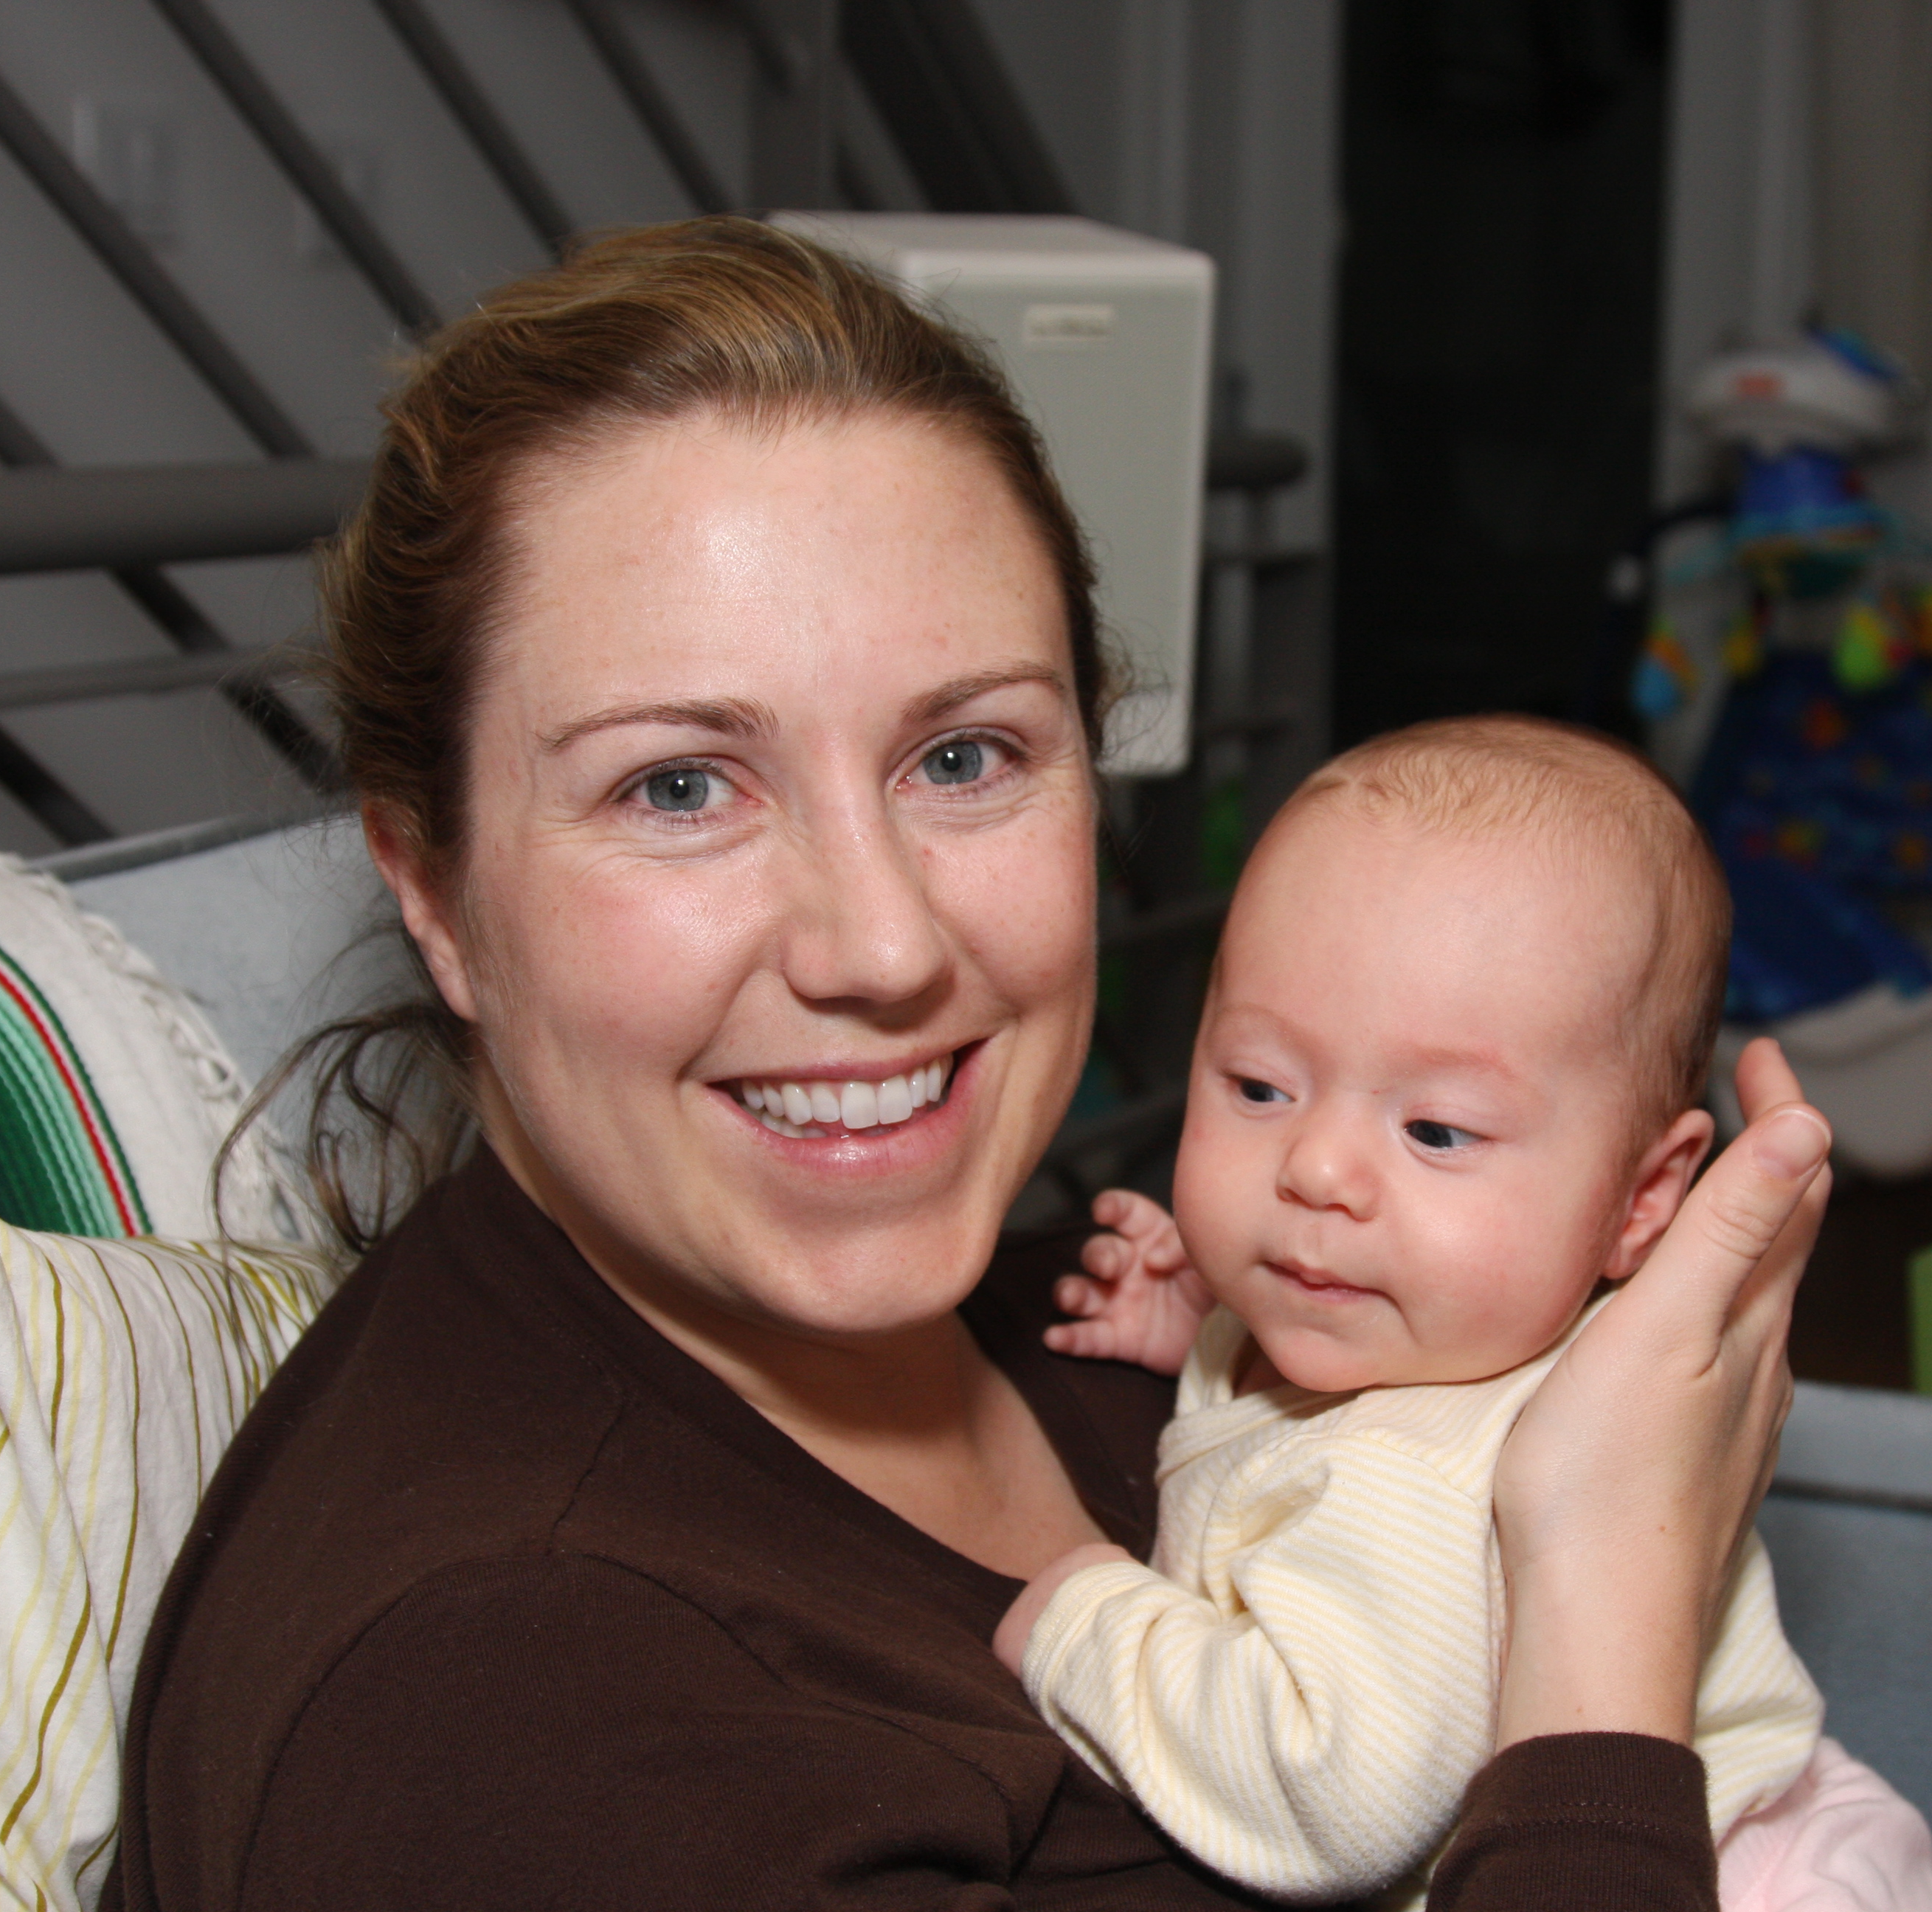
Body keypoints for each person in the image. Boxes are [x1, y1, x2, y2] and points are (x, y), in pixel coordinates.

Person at [108, 218, 1835, 1912]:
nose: (883, 946)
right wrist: (1606, 1599)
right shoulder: (508, 1713)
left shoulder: (1131, 1311)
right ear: (435, 891)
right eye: (679, 787)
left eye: (962, 756)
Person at [995, 717, 1932, 1912]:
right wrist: (1207, 1323)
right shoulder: (1434, 1321)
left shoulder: (1407, 1481)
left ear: (1641, 1200)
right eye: (1259, 1085)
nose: (1317, 1168)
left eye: (1437, 1130)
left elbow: (1328, 1802)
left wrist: (1086, 1620)